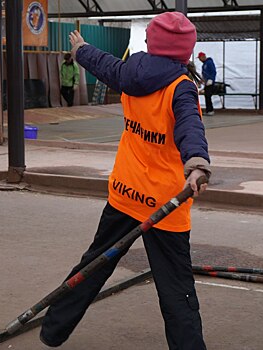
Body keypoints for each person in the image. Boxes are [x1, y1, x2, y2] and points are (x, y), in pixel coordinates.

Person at [40, 11, 211, 350]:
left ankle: (54, 330)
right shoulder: (181, 88)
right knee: (176, 287)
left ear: (150, 42)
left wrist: (81, 49)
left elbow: (102, 63)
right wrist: (197, 163)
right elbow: (191, 125)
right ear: (187, 53)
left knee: (94, 264)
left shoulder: (129, 72)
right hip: (165, 205)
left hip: (126, 192)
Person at [197, 52, 216, 116]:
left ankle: (210, 110)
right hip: (206, 83)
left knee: (208, 96)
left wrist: (211, 79)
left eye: (200, 58)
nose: (199, 60)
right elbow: (204, 74)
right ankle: (208, 110)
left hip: (210, 83)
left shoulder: (209, 62)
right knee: (206, 96)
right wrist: (201, 81)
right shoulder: (204, 65)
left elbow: (213, 71)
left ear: (203, 57)